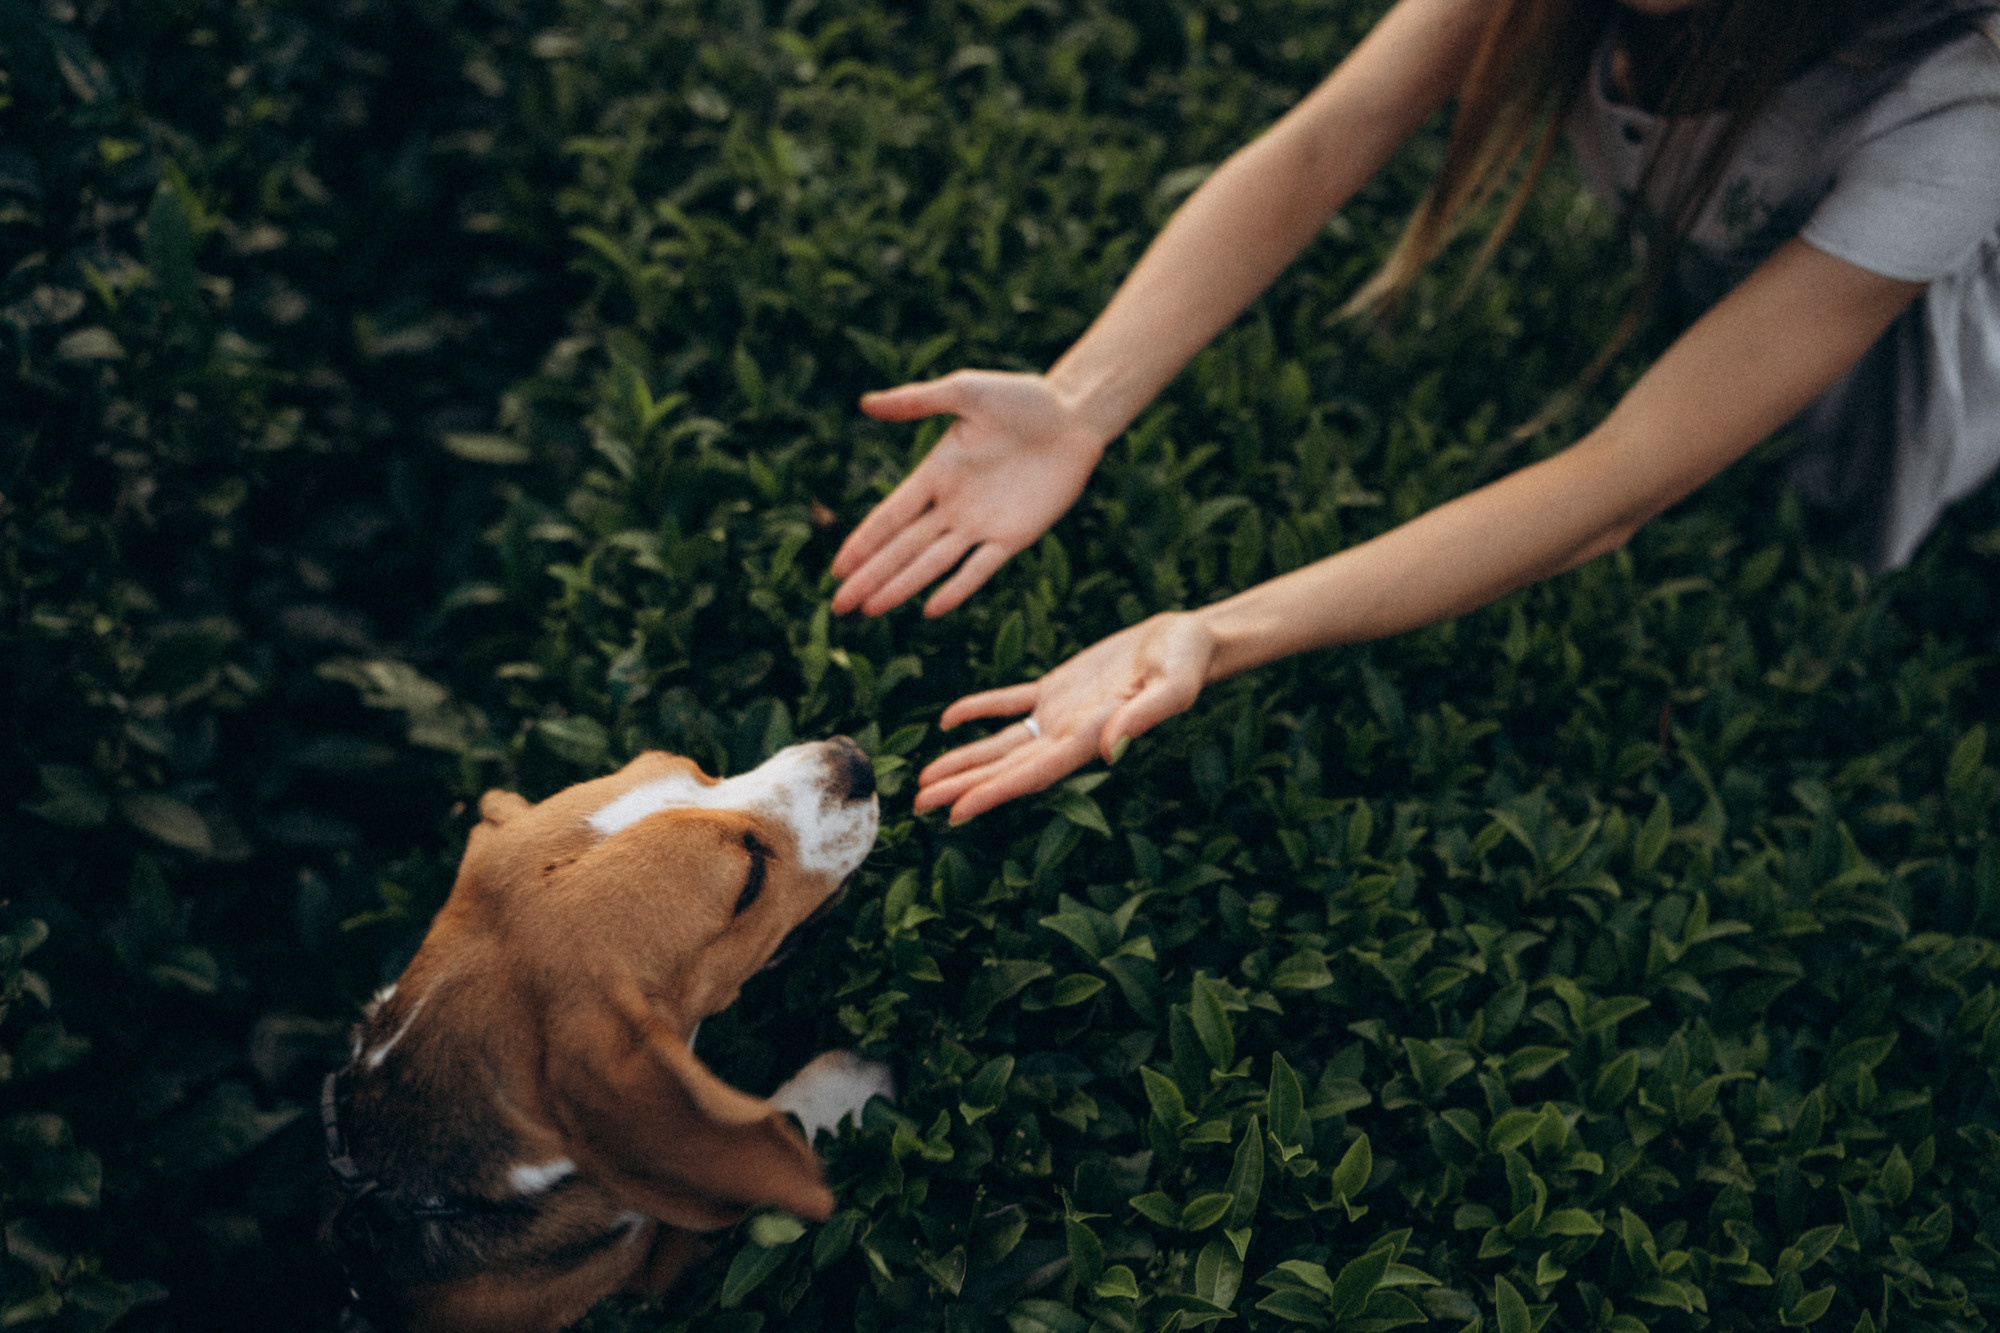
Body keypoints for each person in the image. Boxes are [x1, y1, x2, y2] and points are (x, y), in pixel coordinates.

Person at [827, 0, 2000, 824]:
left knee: (1801, 546)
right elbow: (1324, 139)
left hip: (1901, 388)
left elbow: (1616, 482)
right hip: (1744, 278)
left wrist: (1220, 632)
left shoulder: (1960, 109)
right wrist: (1081, 398)